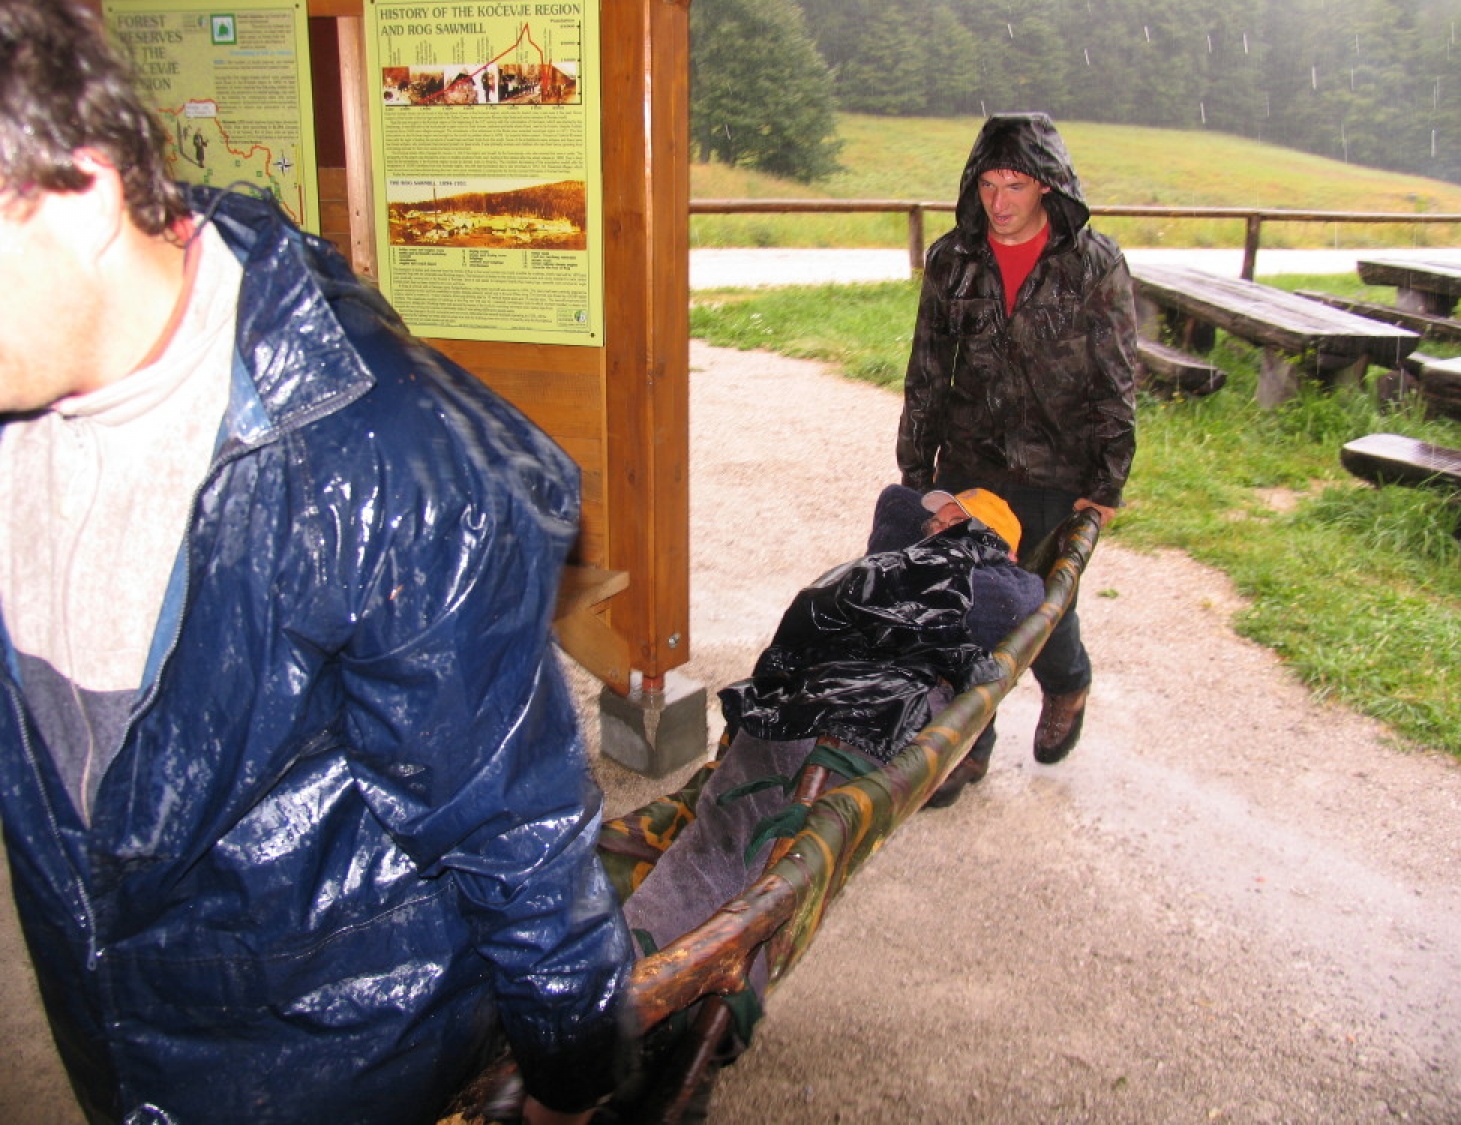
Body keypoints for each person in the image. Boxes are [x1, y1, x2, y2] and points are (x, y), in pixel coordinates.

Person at [0, 3, 633, 1123]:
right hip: (116, 1044)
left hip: (338, 1067)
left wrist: (573, 1073)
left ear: (80, 187)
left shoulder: (387, 467)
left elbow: (516, 821)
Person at [620, 487, 1043, 996]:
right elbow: (896, 501)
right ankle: (639, 964)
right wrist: (944, 534)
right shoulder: (905, 565)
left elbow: (1019, 594)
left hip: (855, 727)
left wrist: (967, 543)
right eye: (935, 523)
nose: (935, 528)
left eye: (958, 522)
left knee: (752, 853)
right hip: (809, 702)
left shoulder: (998, 590)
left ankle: (652, 979)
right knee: (720, 836)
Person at [896, 111, 1137, 793]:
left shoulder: (1094, 265)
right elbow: (926, 370)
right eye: (989, 185)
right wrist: (918, 472)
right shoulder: (952, 260)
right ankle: (969, 737)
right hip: (971, 458)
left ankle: (1068, 682)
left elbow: (1115, 378)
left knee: (1037, 603)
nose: (1000, 203)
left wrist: (1108, 479)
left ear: (1048, 187)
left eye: (1017, 185)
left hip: (1057, 466)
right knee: (964, 599)